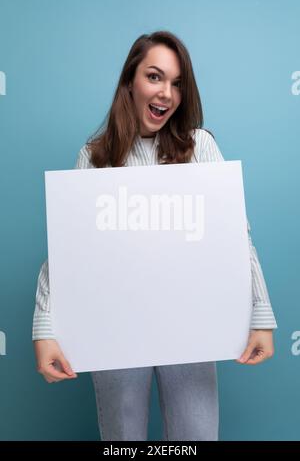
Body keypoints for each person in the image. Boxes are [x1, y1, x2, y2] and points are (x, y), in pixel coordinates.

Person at [33, 30, 277, 441]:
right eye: (154, 76)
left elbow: (236, 235)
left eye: (177, 83)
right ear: (130, 82)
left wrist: (260, 313)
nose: (167, 92)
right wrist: (44, 325)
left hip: (191, 321)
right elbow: (69, 249)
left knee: (194, 438)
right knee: (122, 438)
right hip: (115, 323)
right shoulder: (94, 156)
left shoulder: (200, 146)